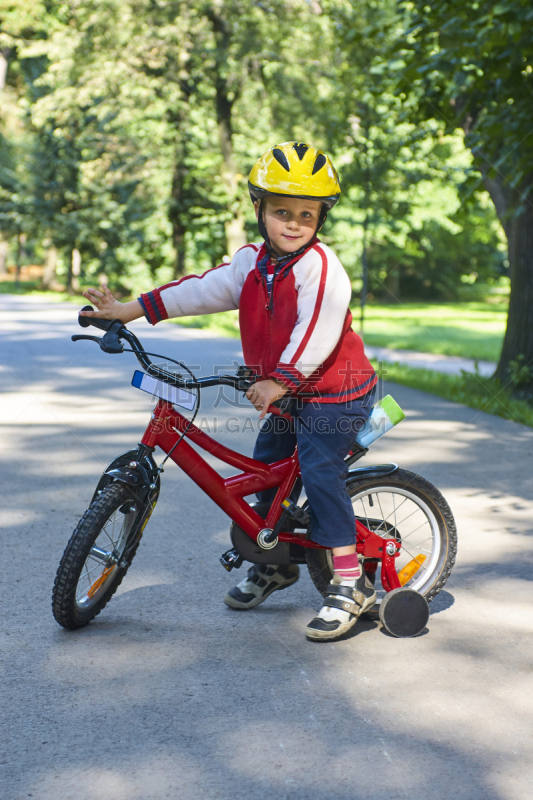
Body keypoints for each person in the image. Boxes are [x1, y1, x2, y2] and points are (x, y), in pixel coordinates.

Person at [81, 141, 378, 641]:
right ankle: (275, 563)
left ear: (321, 218)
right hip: (287, 393)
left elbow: (316, 333)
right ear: (258, 208)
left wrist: (279, 381)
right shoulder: (252, 264)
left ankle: (350, 583)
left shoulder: (322, 268)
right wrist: (127, 310)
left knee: (320, 471)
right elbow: (199, 289)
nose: (293, 223)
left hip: (333, 394)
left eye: (306, 214)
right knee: (265, 471)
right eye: (281, 211)